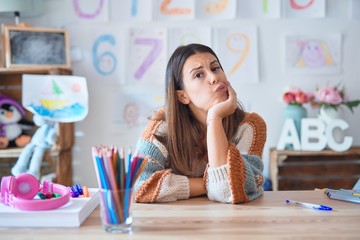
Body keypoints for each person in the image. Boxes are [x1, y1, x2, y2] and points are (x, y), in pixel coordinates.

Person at [134, 43, 267, 204]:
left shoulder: (250, 125)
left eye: (215, 68)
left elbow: (231, 190)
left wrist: (214, 118)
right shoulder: (161, 128)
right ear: (182, 96)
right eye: (198, 75)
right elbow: (138, 186)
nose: (214, 77)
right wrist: (208, 183)